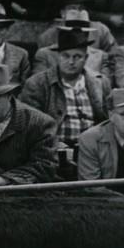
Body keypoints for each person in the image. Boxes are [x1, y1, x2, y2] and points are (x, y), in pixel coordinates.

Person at [21, 27, 109, 178]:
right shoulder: (37, 84)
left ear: (86, 58)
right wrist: (57, 147)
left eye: (77, 56)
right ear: (58, 57)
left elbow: (106, 121)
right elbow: (31, 126)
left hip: (93, 151)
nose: (71, 62)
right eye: (65, 56)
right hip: (55, 152)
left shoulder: (100, 83)